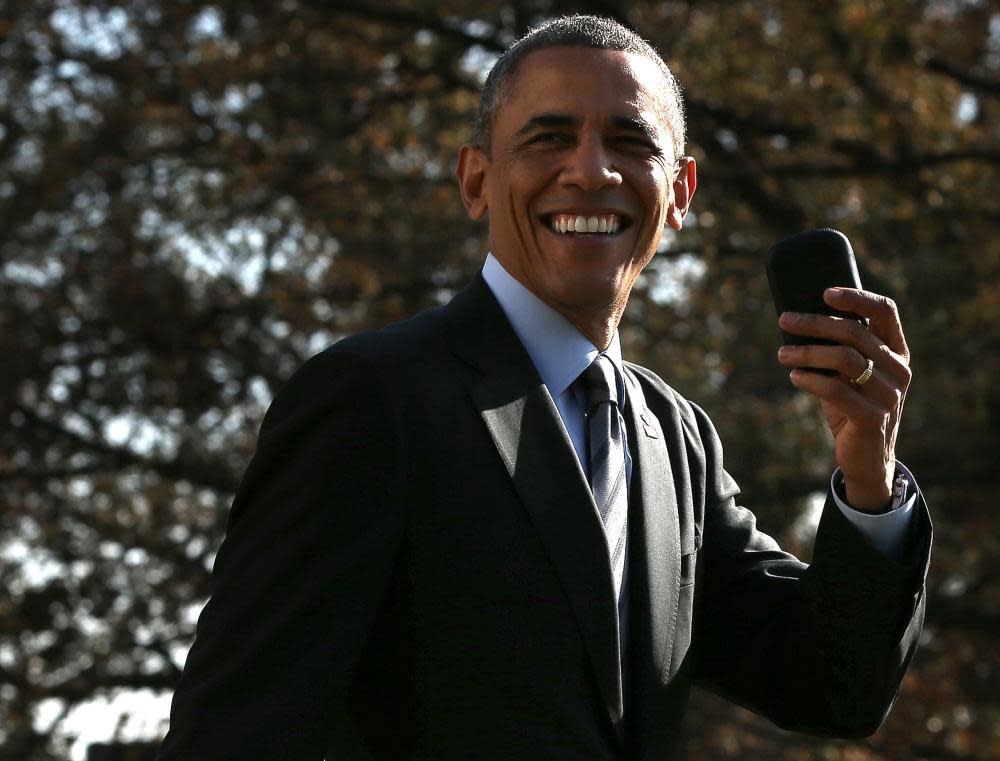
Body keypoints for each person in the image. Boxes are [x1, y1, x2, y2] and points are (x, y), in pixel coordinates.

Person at [157, 15, 930, 761]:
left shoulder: (679, 437)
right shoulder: (372, 398)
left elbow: (831, 688)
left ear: (681, 192)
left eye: (631, 141)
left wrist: (869, 474)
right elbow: (238, 730)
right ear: (476, 180)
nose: (592, 170)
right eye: (549, 137)